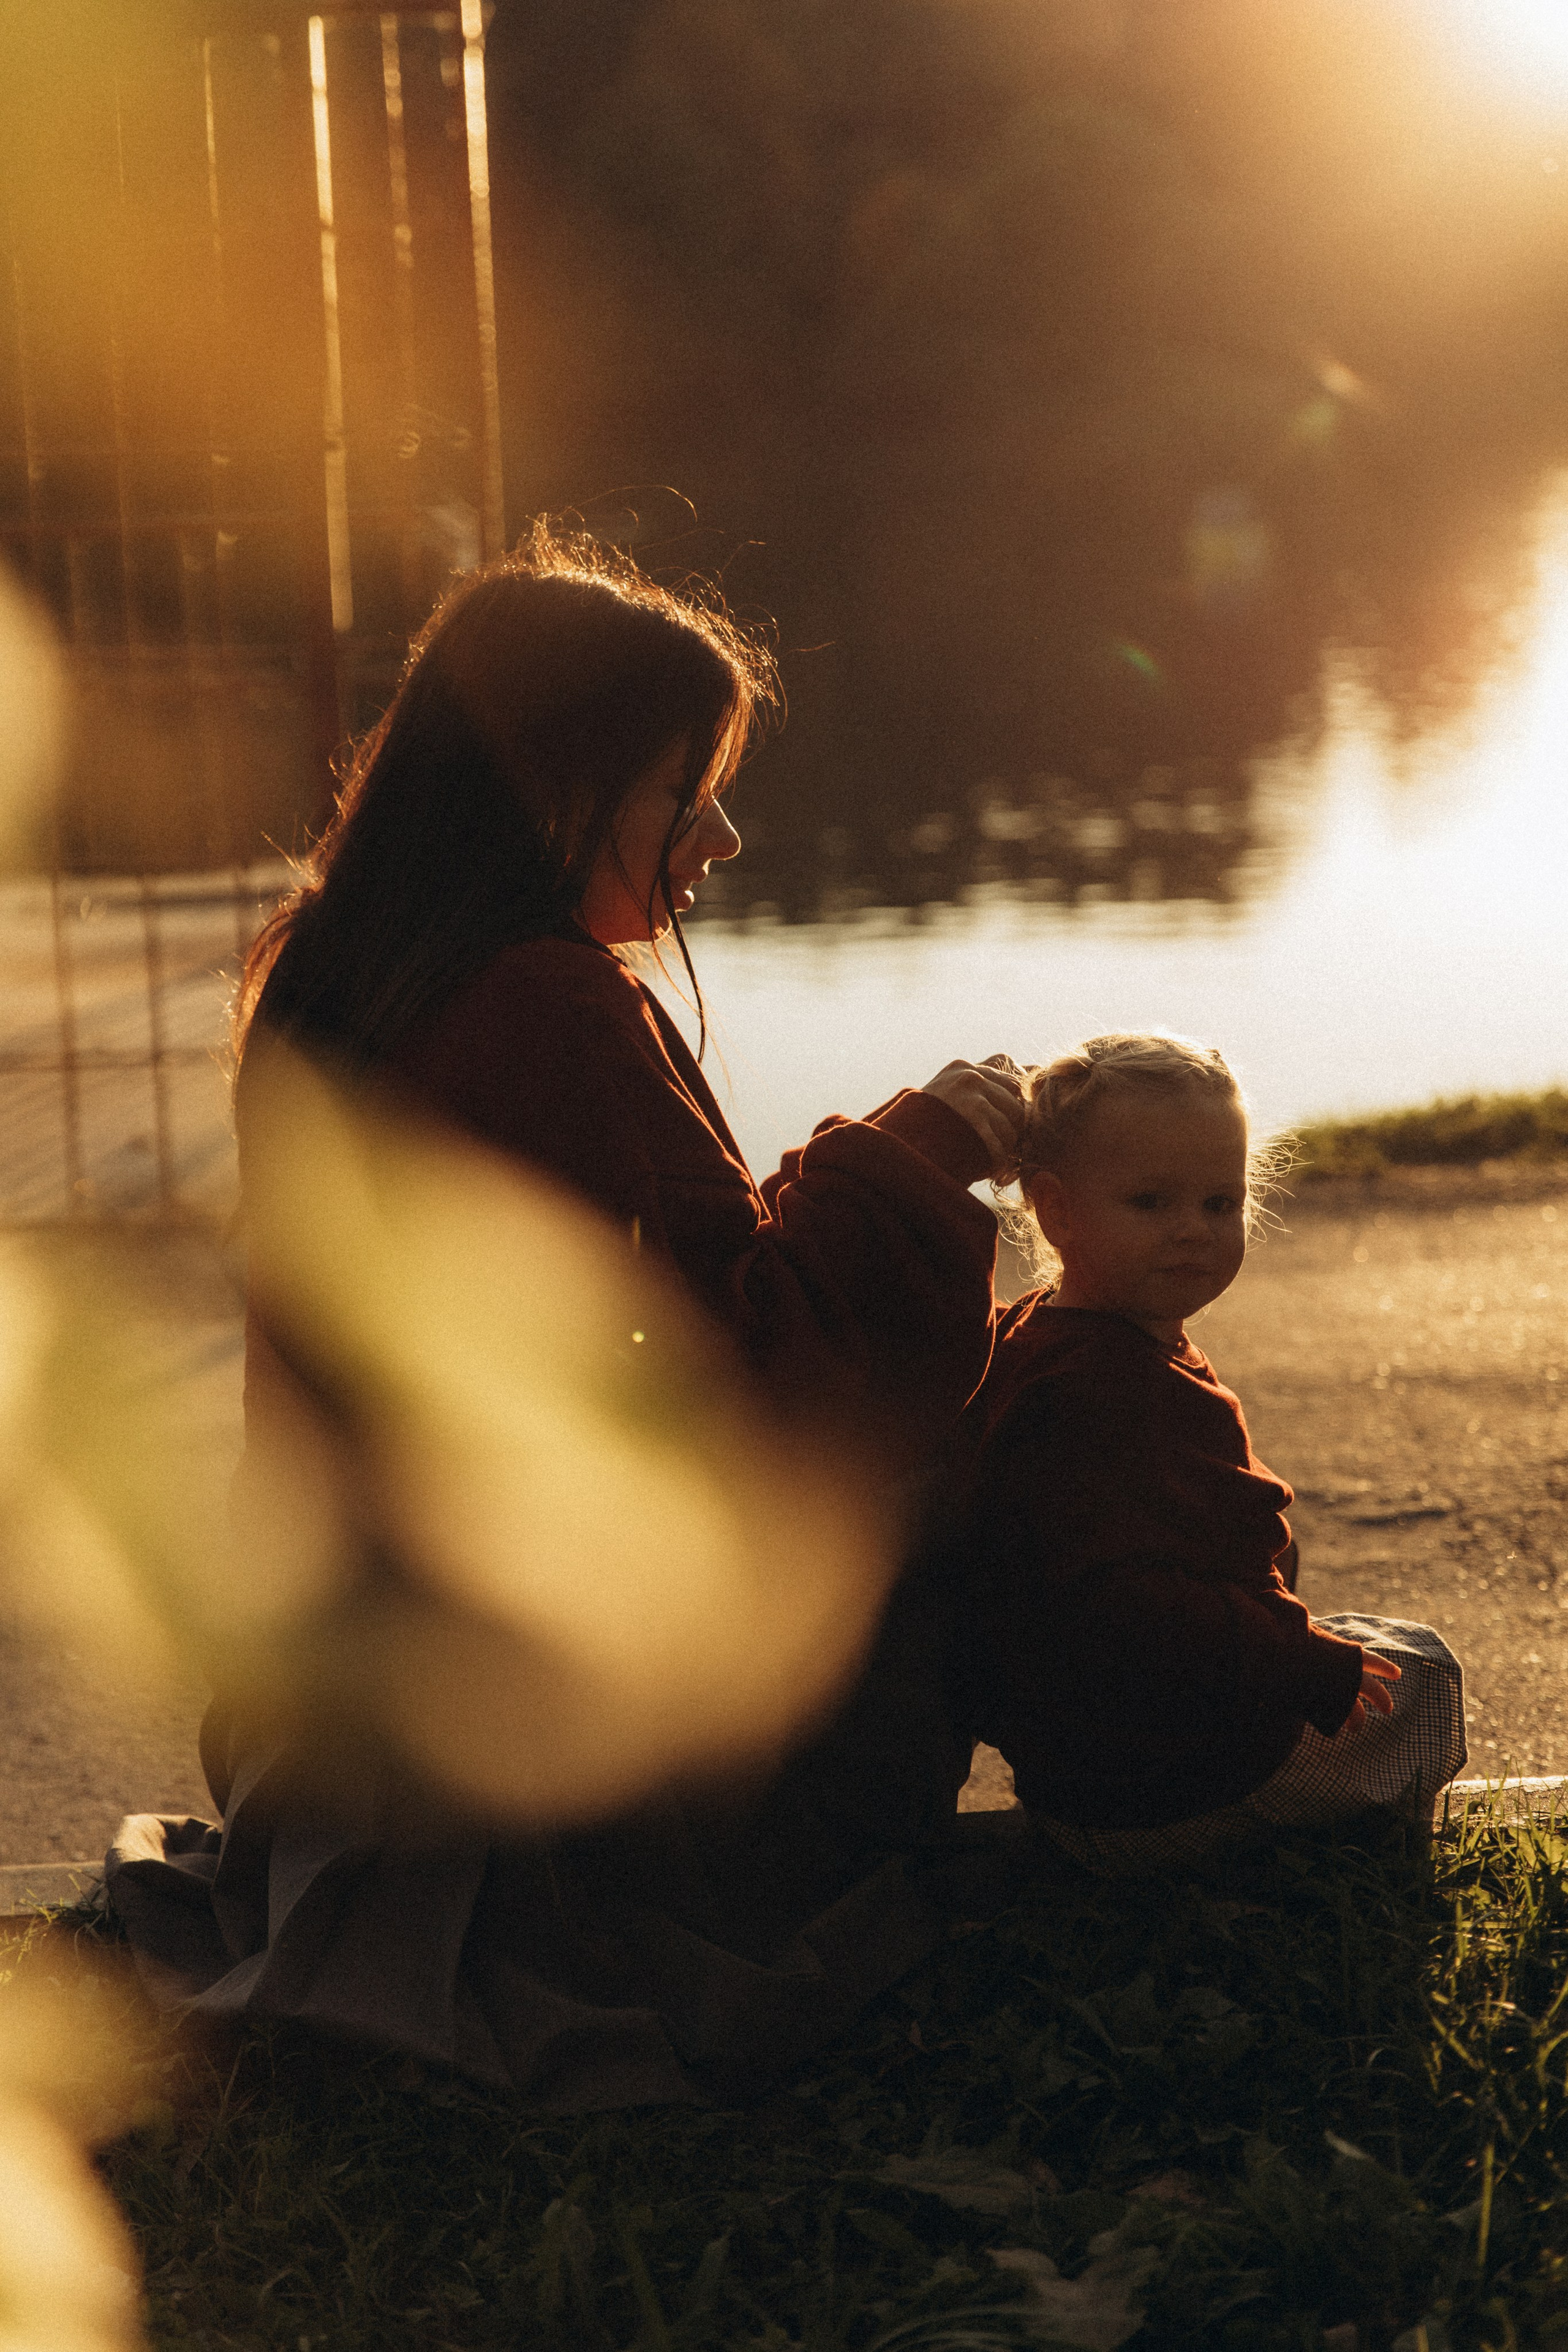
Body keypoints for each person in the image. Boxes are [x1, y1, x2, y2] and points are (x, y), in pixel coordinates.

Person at [105, 526, 1028, 2108]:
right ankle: (1187, 1764)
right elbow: (756, 1378)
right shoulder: (547, 1003)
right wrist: (928, 1156)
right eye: (688, 789)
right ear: (553, 784)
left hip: (340, 1702)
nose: (722, 837)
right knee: (998, 1433)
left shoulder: (334, 968)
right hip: (535, 1755)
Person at [954, 1032, 1466, 1872]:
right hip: (1159, 1793)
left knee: (1373, 1642)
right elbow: (1119, 1610)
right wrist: (1296, 1663)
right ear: (1057, 1212)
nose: (1193, 1231)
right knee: (1427, 1675)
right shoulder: (1105, 1391)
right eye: (1152, 1202)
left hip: (1085, 1776)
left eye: (1219, 1205)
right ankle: (1329, 1843)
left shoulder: (1049, 1339)